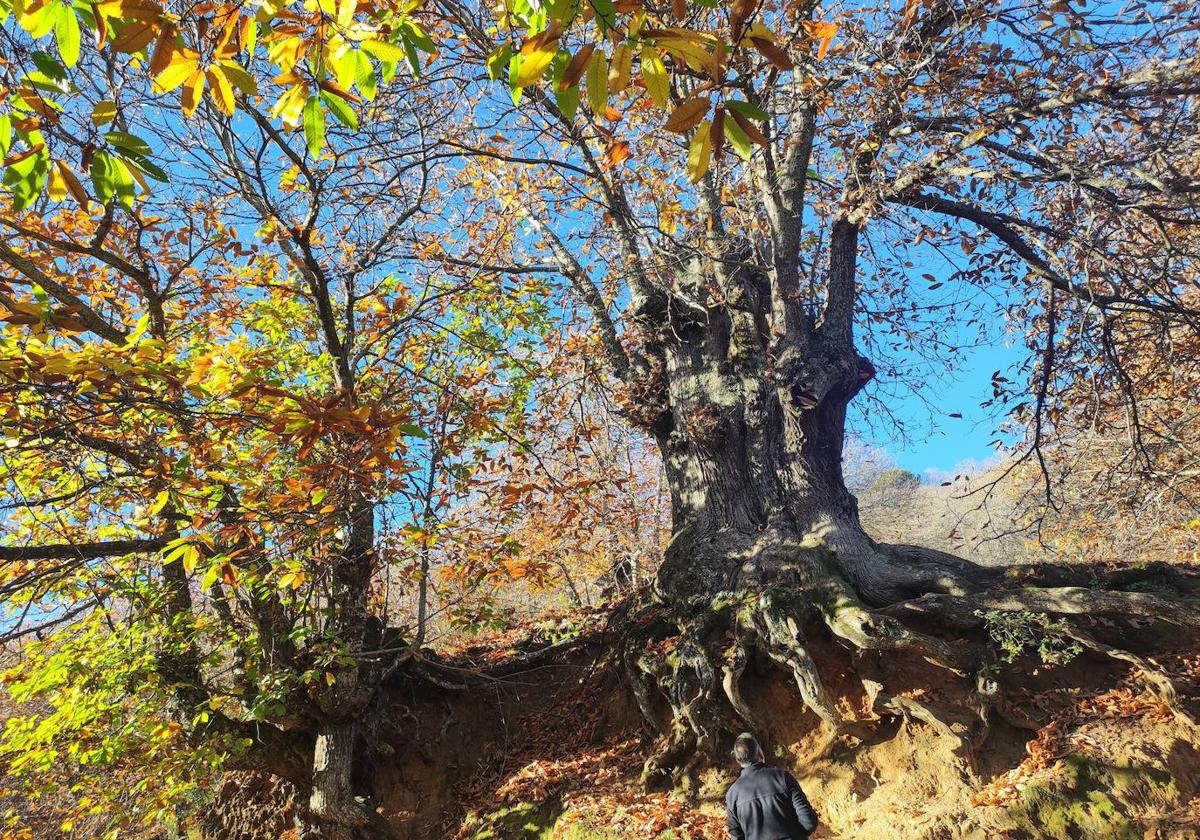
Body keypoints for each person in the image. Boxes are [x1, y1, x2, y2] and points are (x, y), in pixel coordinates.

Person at [725, 733, 819, 840]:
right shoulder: (782, 777)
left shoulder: (732, 795)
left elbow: (736, 836)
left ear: (738, 760)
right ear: (760, 753)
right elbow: (809, 821)